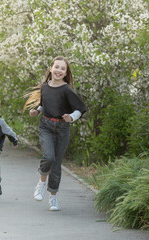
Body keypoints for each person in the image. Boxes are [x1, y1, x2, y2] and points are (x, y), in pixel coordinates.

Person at [23, 56, 86, 211]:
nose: (59, 70)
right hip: (46, 126)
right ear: (50, 68)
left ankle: (53, 197)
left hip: (62, 129)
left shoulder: (66, 90)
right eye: (56, 67)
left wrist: (71, 117)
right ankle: (41, 182)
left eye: (62, 69)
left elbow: (81, 108)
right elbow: (45, 105)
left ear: (65, 73)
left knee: (56, 165)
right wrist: (37, 111)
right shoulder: (44, 87)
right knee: (49, 157)